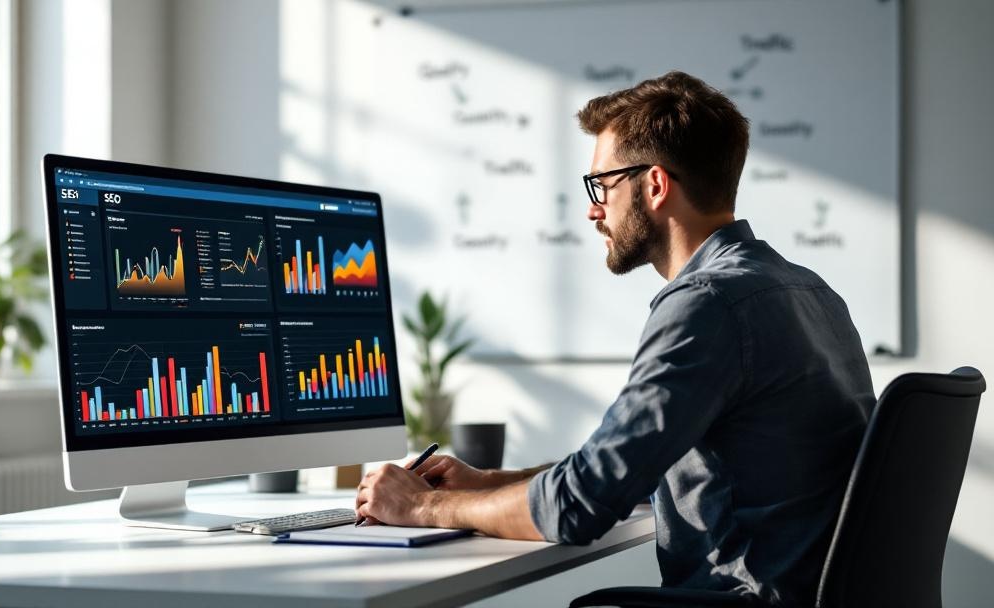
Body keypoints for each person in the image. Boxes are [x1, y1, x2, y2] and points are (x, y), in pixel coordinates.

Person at [354, 71, 876, 607]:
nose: (593, 208)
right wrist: (490, 482)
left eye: (602, 185)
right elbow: (634, 469)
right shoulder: (810, 292)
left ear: (654, 185)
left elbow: (578, 506)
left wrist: (421, 508)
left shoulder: (707, 304)